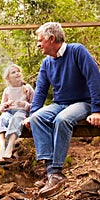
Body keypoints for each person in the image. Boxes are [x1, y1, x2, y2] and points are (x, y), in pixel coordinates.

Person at [23, 22, 100, 198]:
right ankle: (52, 173)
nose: (38, 44)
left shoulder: (77, 51)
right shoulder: (46, 63)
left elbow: (94, 78)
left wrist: (97, 110)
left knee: (62, 119)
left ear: (51, 39)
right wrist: (32, 114)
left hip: (83, 102)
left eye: (40, 40)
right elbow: (41, 91)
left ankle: (56, 170)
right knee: (37, 118)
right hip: (60, 103)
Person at [0, 64, 34, 163]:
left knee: (15, 119)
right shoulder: (7, 90)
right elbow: (1, 108)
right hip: (9, 112)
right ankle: (2, 147)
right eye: (13, 72)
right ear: (8, 78)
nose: (17, 73)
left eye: (18, 71)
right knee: (2, 119)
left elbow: (34, 106)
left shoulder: (27, 88)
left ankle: (10, 146)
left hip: (21, 112)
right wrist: (5, 105)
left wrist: (25, 104)